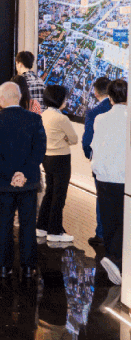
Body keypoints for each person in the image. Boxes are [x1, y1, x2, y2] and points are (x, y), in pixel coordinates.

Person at [0, 82, 46, 279]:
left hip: (3, 182)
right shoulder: (34, 119)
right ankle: (28, 267)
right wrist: (23, 173)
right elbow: (39, 150)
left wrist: (11, 174)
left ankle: (4, 266)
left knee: (3, 223)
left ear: (1, 99)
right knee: (28, 224)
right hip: (28, 182)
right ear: (19, 97)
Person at [91, 79, 128, 285]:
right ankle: (116, 261)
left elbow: (96, 146)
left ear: (110, 97)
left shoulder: (100, 118)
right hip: (124, 178)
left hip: (104, 176)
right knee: (124, 222)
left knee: (109, 221)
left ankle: (112, 258)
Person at [36, 85, 78, 243]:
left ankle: (42, 227)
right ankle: (55, 231)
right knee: (59, 195)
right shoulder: (62, 118)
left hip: (46, 158)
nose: (66, 101)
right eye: (65, 98)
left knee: (50, 192)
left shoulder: (43, 115)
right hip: (61, 159)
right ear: (59, 99)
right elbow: (74, 139)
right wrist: (65, 139)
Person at [82, 76, 112, 246]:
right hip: (121, 165)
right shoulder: (124, 111)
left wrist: (90, 156)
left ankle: (101, 233)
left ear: (95, 92)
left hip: (100, 163)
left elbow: (87, 142)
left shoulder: (94, 113)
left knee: (102, 197)